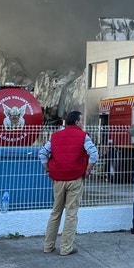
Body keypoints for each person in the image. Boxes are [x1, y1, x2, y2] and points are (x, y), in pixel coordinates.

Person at [39, 110, 98, 256]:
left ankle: (48, 245)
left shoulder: (55, 136)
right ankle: (66, 248)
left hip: (58, 179)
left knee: (56, 211)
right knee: (71, 213)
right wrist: (88, 170)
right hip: (75, 178)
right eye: (81, 120)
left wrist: (47, 170)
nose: (82, 123)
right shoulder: (83, 136)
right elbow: (94, 154)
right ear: (77, 122)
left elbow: (42, 153)